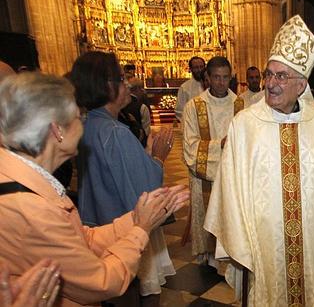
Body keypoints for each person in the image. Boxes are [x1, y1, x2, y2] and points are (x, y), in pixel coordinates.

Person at [0, 72, 188, 307]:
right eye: (79, 117)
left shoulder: (22, 179)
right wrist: (141, 230)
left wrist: (137, 217)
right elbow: (101, 282)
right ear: (57, 130)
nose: (84, 124)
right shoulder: (30, 208)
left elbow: (80, 241)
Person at [204, 15, 314, 306]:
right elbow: (230, 189)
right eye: (270, 74)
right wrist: (240, 239)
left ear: (302, 84)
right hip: (265, 245)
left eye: (281, 76)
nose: (270, 83)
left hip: (313, 245)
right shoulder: (245, 124)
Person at [70, 51, 177, 306]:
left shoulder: (87, 124)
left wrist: (145, 154)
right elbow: (146, 192)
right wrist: (159, 157)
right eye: (121, 77)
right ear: (108, 86)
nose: (128, 83)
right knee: (135, 293)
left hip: (96, 223)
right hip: (120, 229)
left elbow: (116, 171)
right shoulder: (116, 132)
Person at [181, 56, 244, 263]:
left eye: (225, 77)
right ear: (207, 77)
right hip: (205, 179)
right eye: (216, 77)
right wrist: (220, 145)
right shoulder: (194, 106)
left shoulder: (240, 106)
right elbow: (190, 146)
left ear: (231, 78)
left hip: (233, 176)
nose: (221, 83)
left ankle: (231, 254)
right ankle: (210, 258)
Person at [175, 56, 205, 122]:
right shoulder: (184, 87)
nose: (199, 70)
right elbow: (179, 110)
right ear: (190, 69)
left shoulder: (211, 85)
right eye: (196, 67)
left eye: (201, 66)